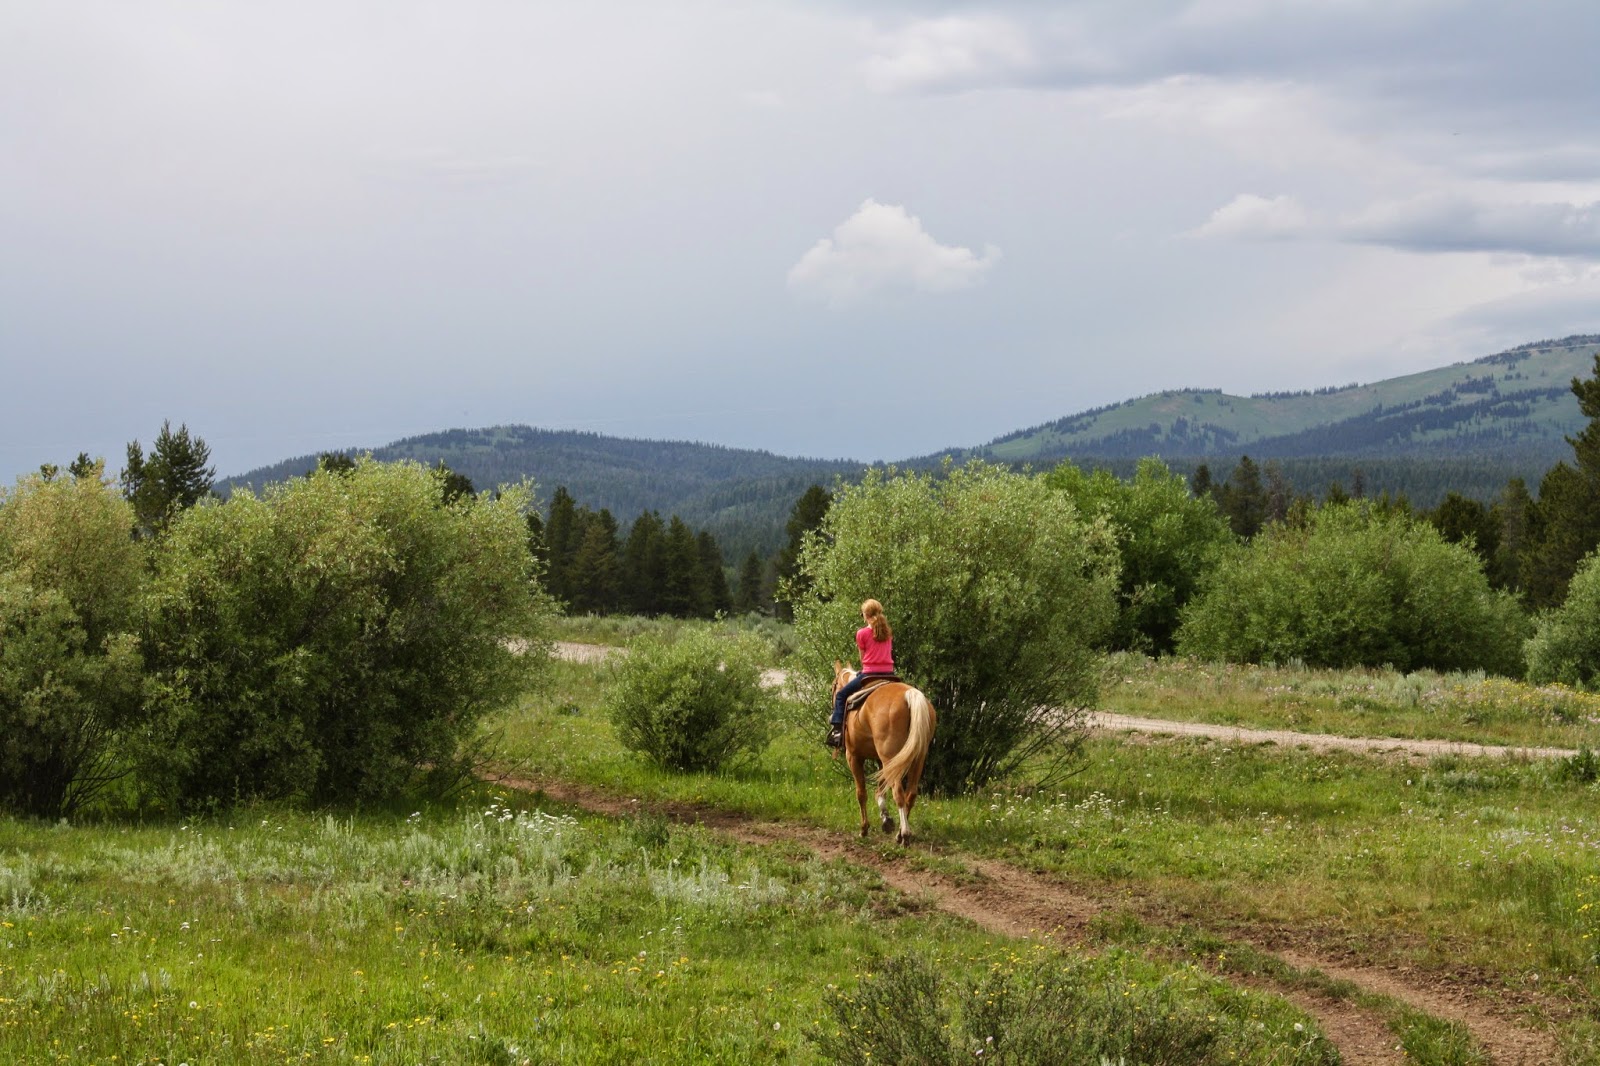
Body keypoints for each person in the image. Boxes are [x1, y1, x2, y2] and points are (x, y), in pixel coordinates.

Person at [827, 598, 894, 748]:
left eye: (863, 613)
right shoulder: (888, 633)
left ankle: (837, 731)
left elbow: (863, 658)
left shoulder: (862, 633)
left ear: (866, 615)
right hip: (889, 673)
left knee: (841, 695)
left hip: (870, 674)